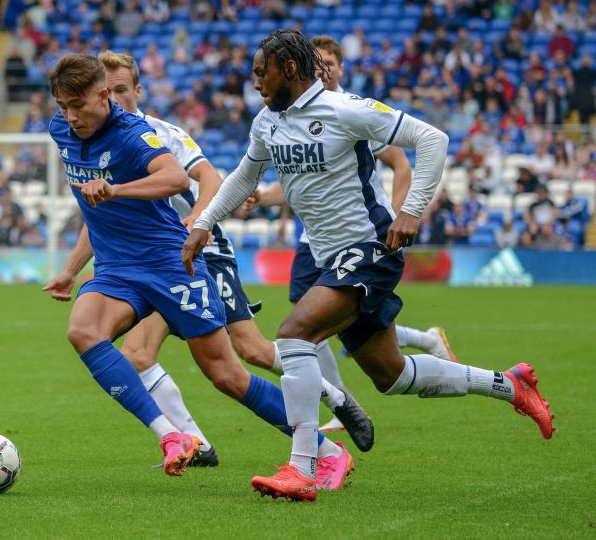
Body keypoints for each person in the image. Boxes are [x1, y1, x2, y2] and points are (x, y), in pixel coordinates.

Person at [183, 29, 555, 501]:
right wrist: (206, 222)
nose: (255, 82)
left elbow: (432, 138)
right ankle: (510, 384)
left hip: (367, 248)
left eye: (262, 72)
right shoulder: (267, 122)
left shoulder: (345, 110)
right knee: (392, 376)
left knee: (294, 334)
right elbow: (243, 177)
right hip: (326, 259)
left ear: (289, 70)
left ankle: (304, 466)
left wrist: (412, 210)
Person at [41, 53, 357, 481]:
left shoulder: (135, 133)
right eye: (63, 107)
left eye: (78, 105)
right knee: (83, 331)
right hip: (117, 267)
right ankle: (173, 436)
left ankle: (326, 450)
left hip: (170, 264)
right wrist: (71, 268)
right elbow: (91, 209)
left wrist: (116, 189)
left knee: (228, 374)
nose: (70, 116)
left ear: (103, 96)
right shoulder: (61, 130)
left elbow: (175, 179)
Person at [252, 35, 458, 434]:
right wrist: (261, 201)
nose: (323, 68)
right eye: (319, 60)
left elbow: (403, 161)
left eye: (329, 61)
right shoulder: (280, 115)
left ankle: (323, 430)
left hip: (360, 241)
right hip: (316, 242)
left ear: (339, 68)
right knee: (368, 357)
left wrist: (405, 213)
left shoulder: (349, 109)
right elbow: (298, 180)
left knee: (301, 329)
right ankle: (485, 373)